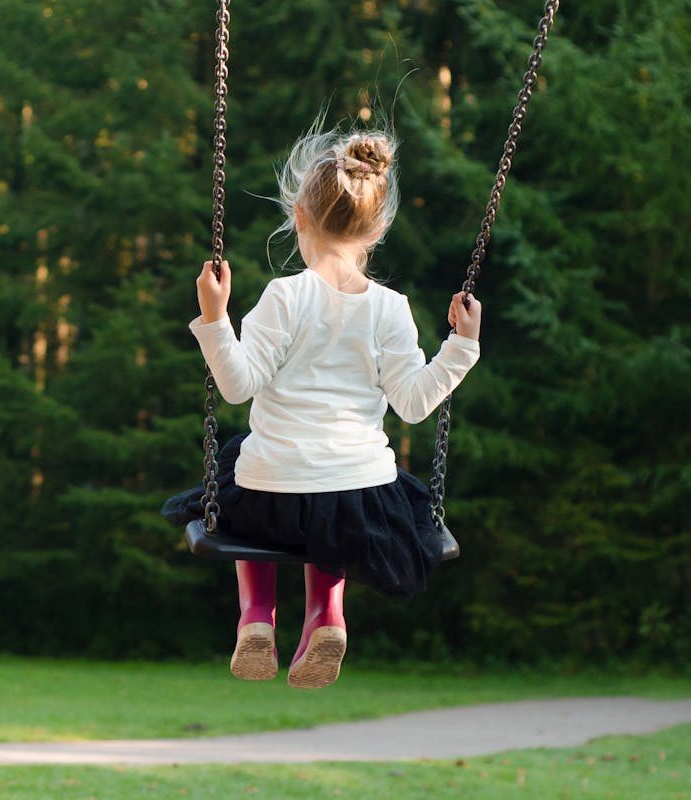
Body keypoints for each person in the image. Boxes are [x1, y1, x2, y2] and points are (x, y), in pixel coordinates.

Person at [163, 123, 481, 689]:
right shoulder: (391, 308)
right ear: (377, 228)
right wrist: (461, 347)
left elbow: (236, 386)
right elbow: (413, 405)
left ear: (299, 218)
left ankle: (256, 617)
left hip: (271, 496)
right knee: (335, 506)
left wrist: (215, 318)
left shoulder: (284, 296)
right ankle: (326, 617)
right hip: (358, 500)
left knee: (243, 470)